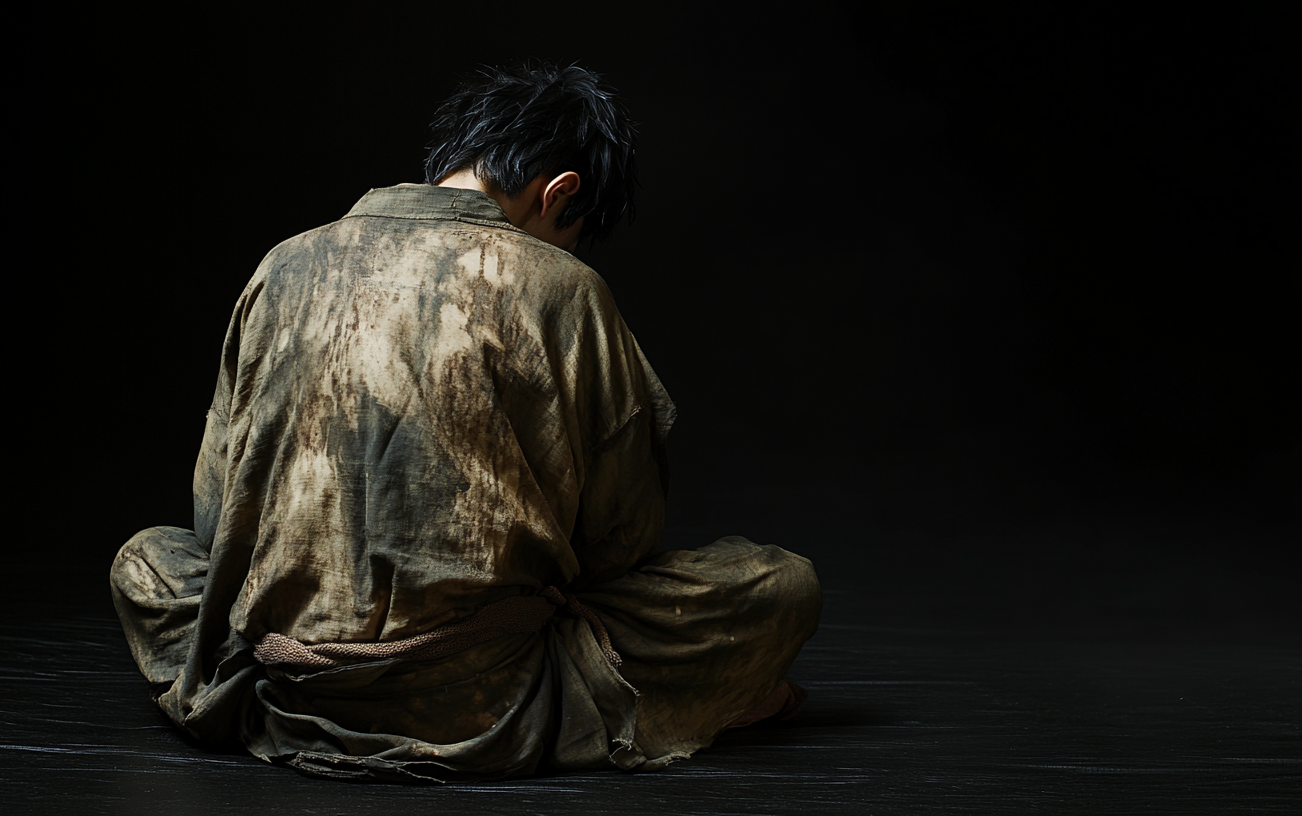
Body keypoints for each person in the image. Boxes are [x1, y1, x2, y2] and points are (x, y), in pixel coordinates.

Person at [110, 61, 822, 783]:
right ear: (561, 191)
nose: (566, 252)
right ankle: (619, 708)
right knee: (780, 584)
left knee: (145, 562)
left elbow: (213, 518)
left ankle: (313, 705)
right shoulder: (564, 288)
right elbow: (617, 547)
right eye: (573, 233)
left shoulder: (282, 264)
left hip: (286, 677)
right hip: (485, 696)